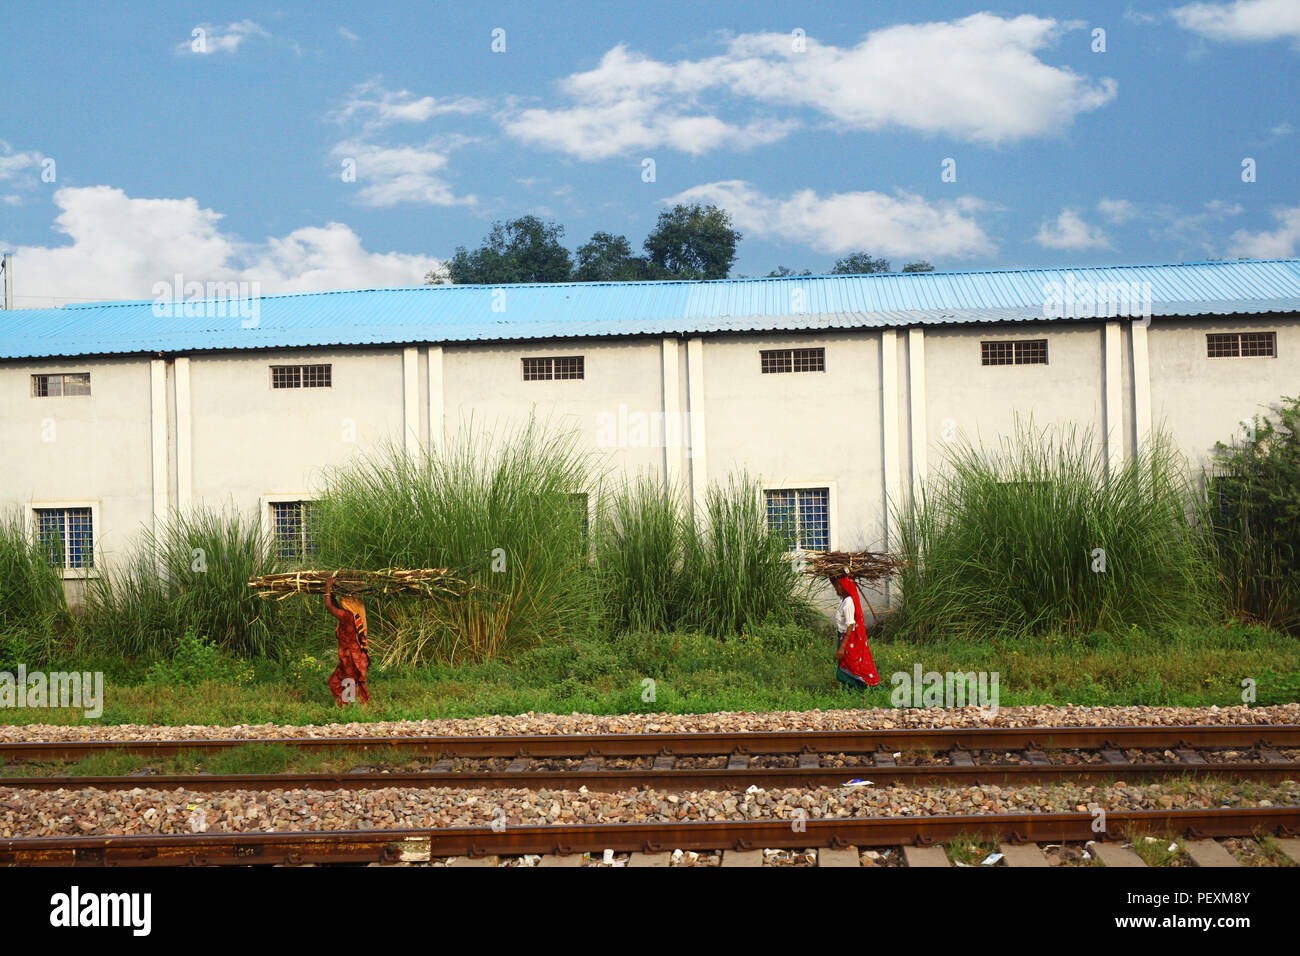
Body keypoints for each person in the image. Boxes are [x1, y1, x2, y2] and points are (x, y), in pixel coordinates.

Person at [324, 577, 371, 706]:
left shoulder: (347, 617)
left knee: (347, 682)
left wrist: (327, 587)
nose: (343, 602)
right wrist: (332, 593)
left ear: (349, 604)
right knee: (339, 681)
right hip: (355, 656)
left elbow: (329, 607)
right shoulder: (354, 615)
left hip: (350, 658)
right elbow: (335, 607)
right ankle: (354, 706)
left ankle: (349, 708)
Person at [831, 576, 881, 691]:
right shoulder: (843, 600)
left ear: (845, 587)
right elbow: (834, 582)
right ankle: (849, 691)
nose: (836, 587)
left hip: (848, 639)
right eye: (837, 584)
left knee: (846, 668)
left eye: (839, 585)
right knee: (843, 665)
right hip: (842, 636)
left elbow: (850, 625)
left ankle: (858, 690)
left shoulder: (848, 603)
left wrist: (842, 647)